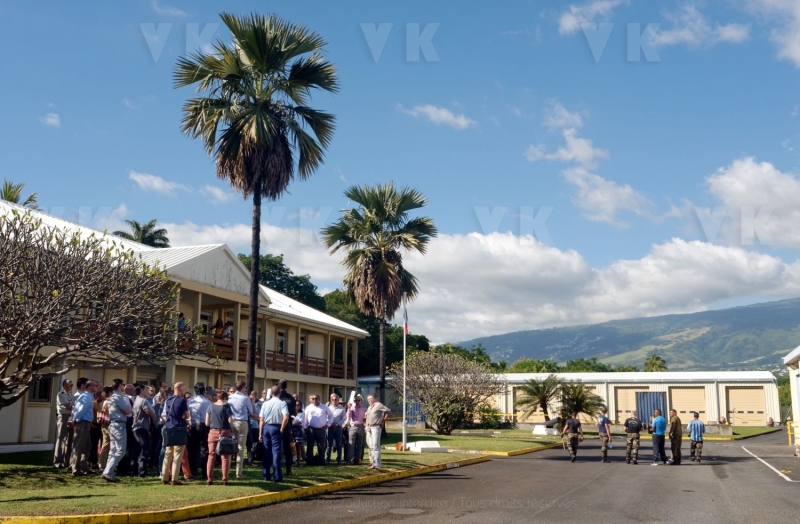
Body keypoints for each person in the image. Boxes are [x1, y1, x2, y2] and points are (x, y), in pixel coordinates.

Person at [102, 379, 131, 482]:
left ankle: (108, 472)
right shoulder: (118, 397)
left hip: (113, 424)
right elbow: (127, 411)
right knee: (121, 450)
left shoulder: (112, 396)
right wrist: (127, 410)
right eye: (123, 384)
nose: (124, 386)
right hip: (119, 425)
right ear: (119, 386)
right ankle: (108, 471)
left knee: (113, 450)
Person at [162, 382, 190, 485]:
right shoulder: (182, 400)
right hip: (179, 428)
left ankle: (165, 478)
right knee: (177, 455)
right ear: (181, 389)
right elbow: (187, 415)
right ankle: (174, 478)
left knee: (168, 454)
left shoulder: (168, 399)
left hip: (169, 428)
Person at [259, 386, 290, 482]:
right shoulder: (282, 403)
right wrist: (282, 428)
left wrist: (260, 432)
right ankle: (277, 476)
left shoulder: (265, 403)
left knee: (266, 451)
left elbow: (261, 419)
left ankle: (266, 475)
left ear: (271, 393)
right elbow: (286, 417)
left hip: (266, 427)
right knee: (276, 452)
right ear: (279, 393)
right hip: (276, 427)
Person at [228, 380, 258, 478]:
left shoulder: (229, 397)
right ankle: (238, 472)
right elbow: (250, 411)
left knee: (230, 447)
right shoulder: (245, 398)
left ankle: (226, 470)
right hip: (242, 422)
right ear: (243, 388)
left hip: (232, 422)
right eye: (245, 387)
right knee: (240, 448)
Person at [69, 378, 97, 476]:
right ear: (88, 387)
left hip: (86, 423)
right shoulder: (86, 396)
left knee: (87, 446)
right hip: (82, 423)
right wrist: (75, 420)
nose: (96, 387)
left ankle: (84, 467)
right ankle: (75, 469)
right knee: (79, 446)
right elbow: (80, 410)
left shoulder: (89, 396)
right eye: (94, 385)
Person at [205, 390, 233, 485]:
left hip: (212, 432)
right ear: (225, 398)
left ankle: (209, 479)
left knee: (211, 456)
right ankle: (224, 479)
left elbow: (207, 423)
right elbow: (230, 421)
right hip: (224, 432)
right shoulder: (226, 406)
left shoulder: (210, 406)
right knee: (225, 457)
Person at [132, 385, 158, 477]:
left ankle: (135, 469)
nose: (148, 392)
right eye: (146, 390)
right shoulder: (143, 401)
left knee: (138, 449)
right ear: (141, 390)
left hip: (137, 427)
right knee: (145, 449)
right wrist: (154, 416)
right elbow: (147, 411)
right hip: (142, 427)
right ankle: (142, 471)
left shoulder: (136, 400)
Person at [187, 382, 211, 478]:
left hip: (192, 425)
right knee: (204, 448)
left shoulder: (190, 401)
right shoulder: (207, 402)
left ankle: (192, 470)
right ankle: (204, 472)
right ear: (204, 391)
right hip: (203, 425)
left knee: (192, 449)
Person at [303, 394, 333, 465]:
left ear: (319, 399)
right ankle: (309, 462)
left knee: (321, 446)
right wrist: (305, 427)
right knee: (310, 446)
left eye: (316, 398)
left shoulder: (324, 407)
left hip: (321, 429)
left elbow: (331, 416)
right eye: (313, 399)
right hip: (311, 430)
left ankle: (321, 461)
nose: (314, 400)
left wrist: (327, 425)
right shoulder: (308, 407)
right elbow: (305, 418)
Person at [364, 393, 391, 470]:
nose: (369, 400)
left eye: (371, 398)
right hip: (369, 427)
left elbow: (388, 411)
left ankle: (377, 464)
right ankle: (373, 462)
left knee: (376, 445)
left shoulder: (378, 405)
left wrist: (383, 420)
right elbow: (367, 418)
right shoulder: (369, 407)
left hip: (376, 427)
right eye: (368, 399)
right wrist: (367, 426)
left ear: (375, 398)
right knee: (370, 445)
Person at [53, 379, 74, 469]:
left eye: (72, 385)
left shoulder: (71, 394)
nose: (71, 386)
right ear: (64, 386)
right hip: (63, 417)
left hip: (71, 417)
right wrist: (72, 405)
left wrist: (72, 405)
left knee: (69, 440)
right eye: (70, 385)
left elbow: (73, 405)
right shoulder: (60, 394)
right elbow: (68, 406)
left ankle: (67, 461)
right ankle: (57, 461)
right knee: (61, 439)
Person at [277, 379, 297, 475]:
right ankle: (289, 468)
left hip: (276, 423)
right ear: (286, 387)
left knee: (276, 445)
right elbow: (294, 412)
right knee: (287, 446)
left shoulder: (275, 397)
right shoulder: (290, 398)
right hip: (287, 424)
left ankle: (276, 467)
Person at [327, 393, 346, 465]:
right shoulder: (328, 408)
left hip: (338, 428)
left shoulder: (342, 408)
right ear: (331, 400)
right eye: (333, 400)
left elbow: (343, 418)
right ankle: (327, 460)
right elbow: (326, 417)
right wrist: (331, 424)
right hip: (330, 428)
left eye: (336, 399)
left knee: (339, 444)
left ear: (338, 400)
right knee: (329, 444)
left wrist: (337, 424)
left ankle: (339, 460)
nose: (334, 401)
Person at [347, 395, 367, 465]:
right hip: (353, 426)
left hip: (361, 426)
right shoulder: (351, 408)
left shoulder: (364, 409)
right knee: (351, 444)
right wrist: (349, 408)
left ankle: (357, 459)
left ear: (361, 401)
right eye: (355, 400)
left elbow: (366, 417)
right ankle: (348, 459)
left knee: (359, 444)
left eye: (358, 400)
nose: (357, 402)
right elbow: (348, 417)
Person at [97, 386, 113, 470]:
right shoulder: (107, 402)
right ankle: (102, 464)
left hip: (108, 424)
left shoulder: (107, 401)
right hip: (106, 424)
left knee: (108, 444)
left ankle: (105, 462)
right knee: (106, 444)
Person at [90, 387, 104, 469]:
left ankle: (97, 460)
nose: (102, 398)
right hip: (94, 425)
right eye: (100, 396)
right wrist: (91, 424)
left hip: (99, 425)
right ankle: (92, 461)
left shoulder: (100, 405)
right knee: (93, 444)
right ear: (96, 396)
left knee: (99, 444)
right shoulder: (93, 404)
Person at [292, 401, 305, 466]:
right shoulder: (291, 413)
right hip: (291, 430)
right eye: (296, 405)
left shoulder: (302, 413)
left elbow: (299, 422)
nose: (297, 406)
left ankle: (298, 462)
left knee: (298, 445)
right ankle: (291, 460)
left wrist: (290, 424)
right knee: (290, 445)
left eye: (298, 405)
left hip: (298, 430)